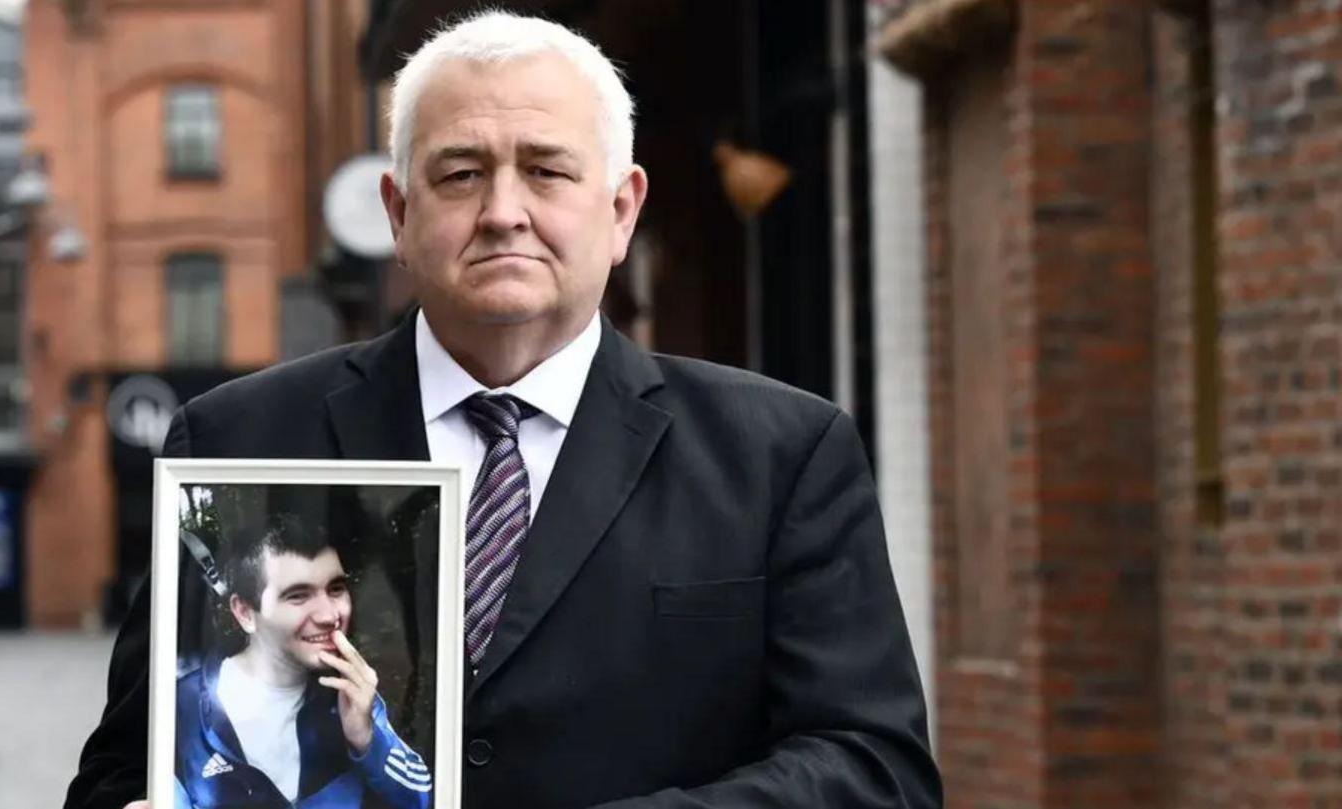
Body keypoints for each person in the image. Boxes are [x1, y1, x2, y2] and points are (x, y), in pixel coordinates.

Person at [66, 10, 942, 809]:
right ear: (400, 217)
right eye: (461, 174)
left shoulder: (782, 454)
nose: (503, 213)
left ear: (621, 209)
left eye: (546, 169)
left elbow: (877, 768)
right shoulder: (237, 439)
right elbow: (120, 770)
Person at [173, 516, 432, 809]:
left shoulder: (349, 694)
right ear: (245, 613)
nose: (328, 615)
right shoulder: (184, 708)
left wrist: (366, 737)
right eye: (297, 596)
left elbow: (425, 800)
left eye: (335, 589)